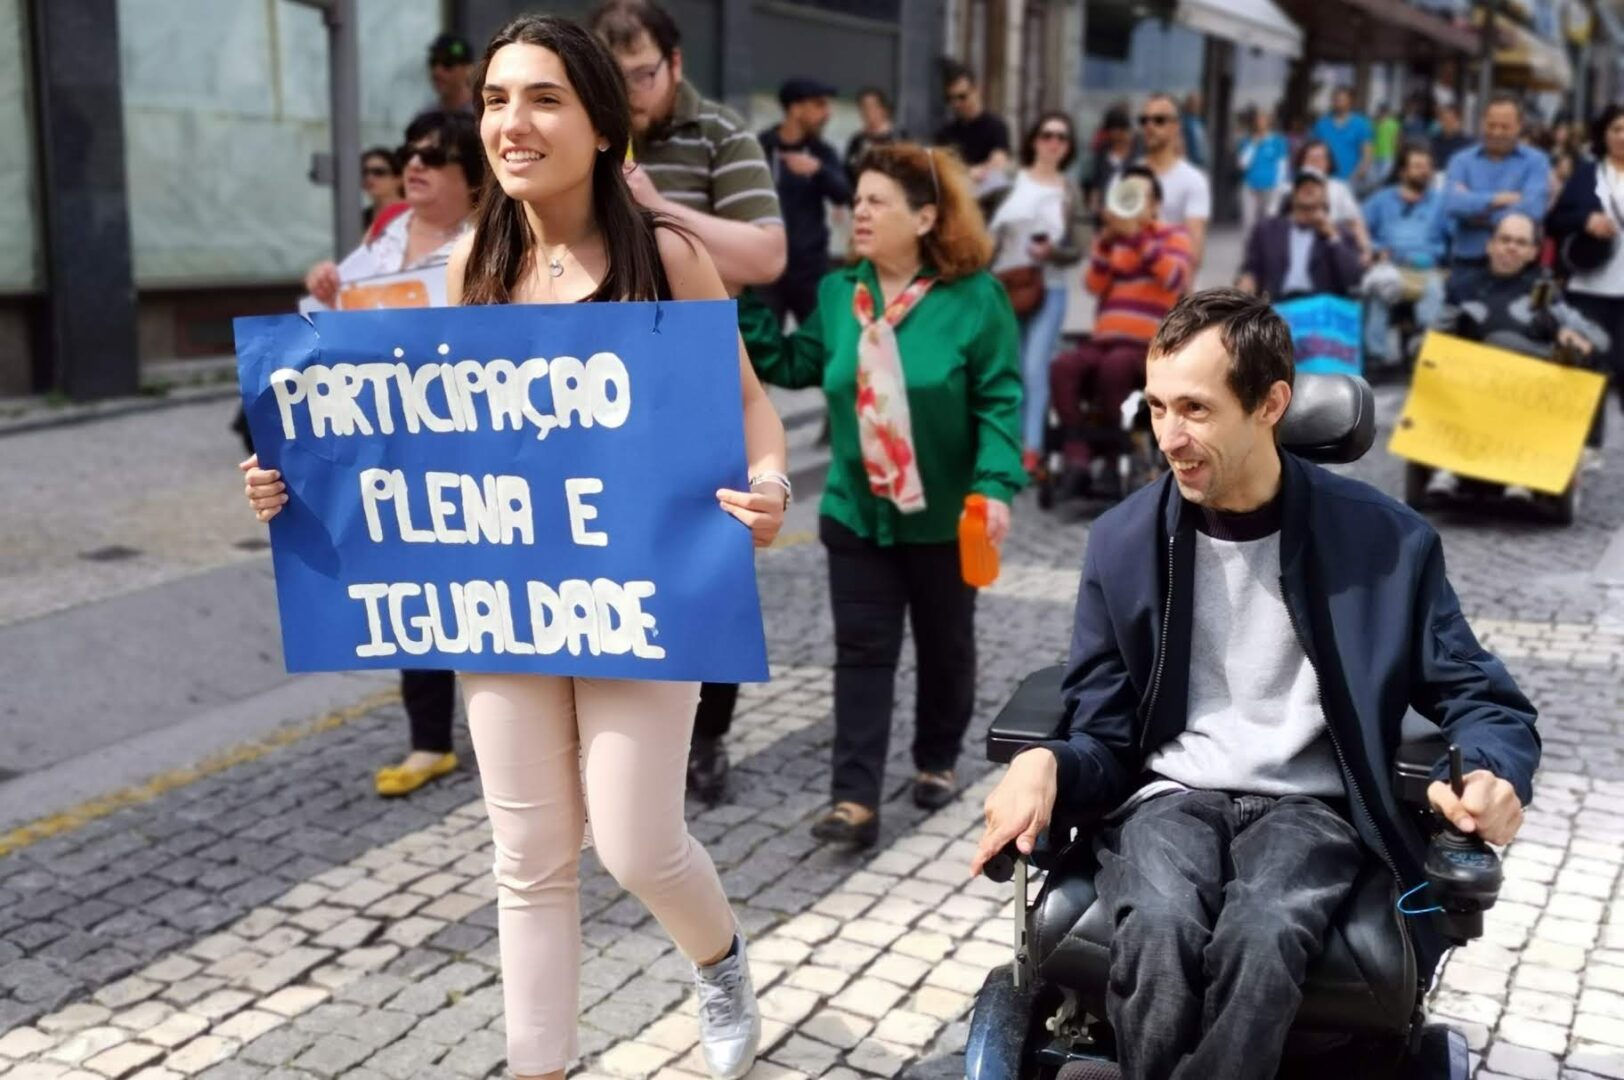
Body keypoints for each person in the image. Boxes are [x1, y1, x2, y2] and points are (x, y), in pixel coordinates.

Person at [245, 17, 788, 1080]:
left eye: (541, 98)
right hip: (502, 594)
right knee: (531, 859)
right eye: (495, 99)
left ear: (598, 123)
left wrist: (766, 485)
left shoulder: (668, 255)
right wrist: (290, 479)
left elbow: (749, 412)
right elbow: (381, 432)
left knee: (636, 846)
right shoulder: (462, 271)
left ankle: (718, 960)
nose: (510, 122)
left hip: (640, 588)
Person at [972, 287, 1540, 1080]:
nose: (1170, 436)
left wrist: (1491, 772)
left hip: (1313, 807)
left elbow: (1482, 696)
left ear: (1271, 403)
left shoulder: (1386, 542)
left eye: (1196, 410)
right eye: (1158, 406)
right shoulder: (1122, 543)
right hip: (1168, 794)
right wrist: (1049, 763)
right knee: (1162, 925)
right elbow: (1101, 737)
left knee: (1264, 931)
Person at [741, 142, 1024, 847]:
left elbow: (998, 401)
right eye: (856, 200)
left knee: (945, 646)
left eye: (876, 202)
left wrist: (993, 487)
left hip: (946, 517)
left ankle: (937, 760)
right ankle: (855, 799)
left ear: (926, 217)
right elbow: (796, 361)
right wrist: (738, 297)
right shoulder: (842, 296)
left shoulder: (974, 299)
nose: (857, 213)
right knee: (862, 651)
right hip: (856, 513)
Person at [588, 0, 787, 801]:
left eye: (642, 74)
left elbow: (767, 254)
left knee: (709, 564)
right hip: (602, 392)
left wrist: (656, 208)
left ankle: (707, 738)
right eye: (615, 77)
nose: (631, 92)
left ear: (674, 64)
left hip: (700, 377)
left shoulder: (720, 136)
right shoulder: (590, 133)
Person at [295, 111, 484, 801]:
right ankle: (430, 742)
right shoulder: (386, 233)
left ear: (471, 178)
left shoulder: (492, 242)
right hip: (391, 447)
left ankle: (522, 739)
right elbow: (327, 325)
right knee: (416, 591)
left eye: (434, 158)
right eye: (411, 154)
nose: (415, 166)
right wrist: (324, 290)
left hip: (470, 446)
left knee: (488, 591)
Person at [1424, 212, 1607, 500]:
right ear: (1490, 245)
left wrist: (1577, 338)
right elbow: (1432, 340)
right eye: (1505, 240)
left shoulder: (1542, 291)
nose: (1511, 248)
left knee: (1512, 346)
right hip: (1470, 390)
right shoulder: (1463, 287)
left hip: (1529, 393)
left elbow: (1596, 338)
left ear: (1533, 252)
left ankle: (1520, 473)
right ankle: (1448, 467)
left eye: (1521, 243)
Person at [1049, 169, 1193, 493]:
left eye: (1139, 196)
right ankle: (1077, 454)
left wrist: (1139, 236)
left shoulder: (1173, 235)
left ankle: (1114, 458)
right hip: (1104, 339)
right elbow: (1093, 284)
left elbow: (1174, 279)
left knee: (1114, 367)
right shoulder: (1114, 242)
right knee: (1063, 366)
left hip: (1146, 344)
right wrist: (1106, 242)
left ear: (1155, 205)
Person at [989, 112, 1087, 476]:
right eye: (1047, 135)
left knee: (1035, 367)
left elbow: (1080, 247)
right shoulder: (1012, 180)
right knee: (1011, 369)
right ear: (1034, 139)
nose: (1053, 143)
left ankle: (1032, 450)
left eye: (1062, 138)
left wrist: (1053, 253)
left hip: (1051, 286)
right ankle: (1012, 449)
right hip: (1008, 285)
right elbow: (982, 222)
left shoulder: (1070, 190)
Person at [1548, 102, 1624, 436]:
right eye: (1617, 129)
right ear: (1604, 134)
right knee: (1583, 371)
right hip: (1588, 289)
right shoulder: (1587, 173)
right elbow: (1553, 222)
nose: (1623, 137)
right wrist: (1585, 219)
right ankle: (1585, 444)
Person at [759, 78, 852, 327]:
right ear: (796, 109)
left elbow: (844, 193)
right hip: (766, 266)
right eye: (819, 105)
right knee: (764, 346)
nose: (827, 113)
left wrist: (818, 170)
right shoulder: (761, 147)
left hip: (810, 268)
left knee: (820, 342)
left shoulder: (822, 152)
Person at [1439, 93, 1549, 271]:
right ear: (1482, 123)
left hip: (1516, 263)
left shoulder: (1536, 161)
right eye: (1491, 125)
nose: (1497, 132)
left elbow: (1533, 209)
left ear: (1519, 127)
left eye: (1505, 127)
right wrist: (1497, 199)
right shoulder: (1461, 160)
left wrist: (1474, 212)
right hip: (1468, 260)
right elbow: (1452, 204)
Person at [1362, 144, 1447, 367]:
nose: (1424, 171)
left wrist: (1438, 254)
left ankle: (1422, 350)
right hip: (1390, 267)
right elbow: (1358, 228)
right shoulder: (1381, 200)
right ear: (1402, 171)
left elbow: (1452, 238)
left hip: (1426, 269)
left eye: (1428, 167)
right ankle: (1376, 356)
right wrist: (1375, 248)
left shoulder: (1440, 202)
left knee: (1434, 290)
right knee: (1380, 290)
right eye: (1417, 166)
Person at [1238, 171, 1362, 299]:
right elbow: (1250, 268)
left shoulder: (1340, 233)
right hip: (1277, 305)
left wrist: (1332, 236)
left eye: (1314, 185)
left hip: (1320, 307)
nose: (1308, 187)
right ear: (1292, 196)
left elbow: (1352, 278)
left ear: (1325, 197)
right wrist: (1248, 279)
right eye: (1302, 185)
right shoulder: (1266, 229)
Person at [1136, 92, 1211, 270]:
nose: (1150, 126)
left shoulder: (1194, 181)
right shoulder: (1126, 175)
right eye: (1144, 120)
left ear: (1175, 126)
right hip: (1129, 290)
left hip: (1171, 288)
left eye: (1159, 120)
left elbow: (1193, 253)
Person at [1271, 140, 1372, 258]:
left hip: (1330, 245)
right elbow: (1271, 222)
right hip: (1291, 246)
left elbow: (1355, 222)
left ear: (1329, 163)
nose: (1315, 163)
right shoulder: (1285, 189)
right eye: (1310, 158)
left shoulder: (1339, 188)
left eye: (1321, 158)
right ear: (1301, 162)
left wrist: (1365, 250)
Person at [935, 65, 1013, 188]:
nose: (956, 104)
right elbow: (941, 170)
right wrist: (970, 172)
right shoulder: (945, 133)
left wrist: (970, 172)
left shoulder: (996, 127)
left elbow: (999, 163)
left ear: (976, 90)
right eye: (951, 99)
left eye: (962, 97)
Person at [1237, 106, 1290, 235]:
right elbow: (1243, 165)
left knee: (1269, 222)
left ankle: (1267, 253)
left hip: (1271, 187)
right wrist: (1254, 145)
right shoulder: (1246, 141)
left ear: (1269, 121)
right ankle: (1249, 253)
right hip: (1250, 187)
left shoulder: (1278, 141)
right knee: (1248, 224)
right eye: (1258, 119)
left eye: (1263, 118)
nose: (1260, 121)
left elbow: (1283, 166)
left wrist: (1280, 187)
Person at [1312, 86, 1373, 188]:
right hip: (1325, 178)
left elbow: (1367, 152)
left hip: (1351, 180)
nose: (1338, 102)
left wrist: (1361, 172)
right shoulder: (1321, 124)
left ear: (1350, 101)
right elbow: (1313, 150)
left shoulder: (1361, 124)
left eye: (1342, 100)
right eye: (1336, 99)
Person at [1084, 106, 1134, 223]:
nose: (1117, 135)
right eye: (1112, 130)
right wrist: (1095, 209)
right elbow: (1096, 184)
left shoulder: (1138, 153)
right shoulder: (1102, 153)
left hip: (1131, 213)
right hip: (1106, 215)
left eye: (1122, 130)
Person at [844, 87, 905, 182]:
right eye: (863, 107)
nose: (867, 112)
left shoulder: (898, 137)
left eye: (872, 107)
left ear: (883, 109)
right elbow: (848, 168)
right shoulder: (857, 140)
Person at [426, 32, 475, 114]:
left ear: (468, 69)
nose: (437, 72)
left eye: (448, 63)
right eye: (433, 63)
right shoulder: (427, 117)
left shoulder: (484, 114)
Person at [361, 146, 404, 233]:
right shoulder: (360, 218)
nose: (369, 178)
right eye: (364, 172)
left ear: (398, 179)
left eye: (379, 172)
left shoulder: (413, 214)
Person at [1431, 102, 1472, 171]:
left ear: (1459, 121)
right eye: (1444, 119)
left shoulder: (1468, 144)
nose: (1447, 123)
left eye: (1451, 119)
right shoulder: (1434, 142)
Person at [1372, 103, 1400, 189]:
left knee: (1383, 177)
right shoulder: (1374, 123)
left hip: (1388, 154)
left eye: (1384, 111)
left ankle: (1381, 192)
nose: (1382, 113)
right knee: (1374, 178)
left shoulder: (1393, 124)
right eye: (1381, 111)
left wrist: (1396, 154)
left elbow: (1395, 140)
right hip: (1374, 154)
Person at [1180, 90, 1208, 170]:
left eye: (1199, 103)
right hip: (1191, 163)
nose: (1197, 106)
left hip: (1203, 164)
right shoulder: (1184, 122)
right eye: (1194, 103)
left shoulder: (1201, 122)